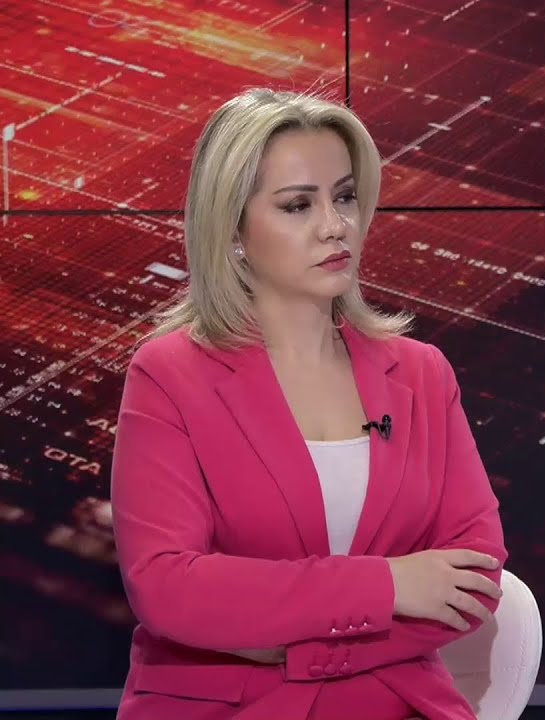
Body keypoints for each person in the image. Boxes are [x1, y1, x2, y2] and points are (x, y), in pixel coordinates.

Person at [110, 89, 507, 720]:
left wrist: (295, 646)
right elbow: (168, 587)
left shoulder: (422, 374)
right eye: (299, 205)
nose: (334, 225)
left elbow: (474, 576)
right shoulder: (170, 374)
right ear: (233, 230)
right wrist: (389, 585)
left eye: (344, 197)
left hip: (395, 702)